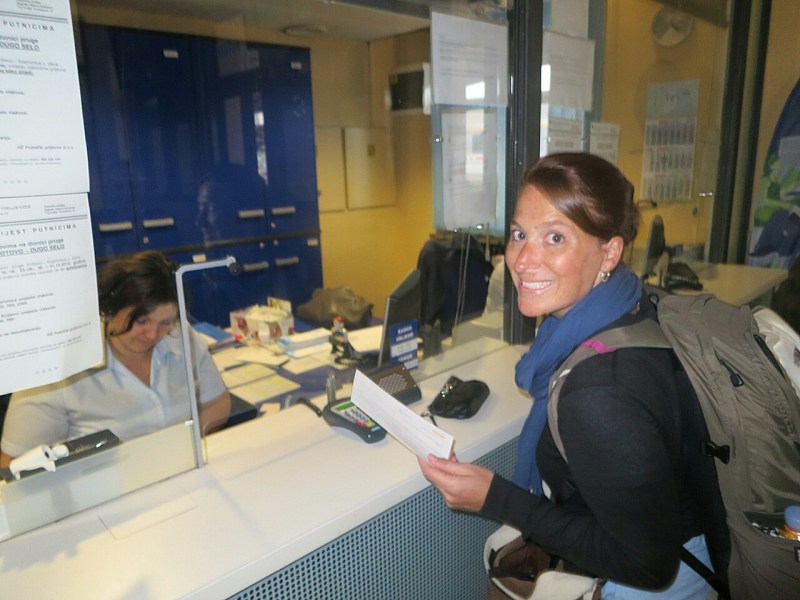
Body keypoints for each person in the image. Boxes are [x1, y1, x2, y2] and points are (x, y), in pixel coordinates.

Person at [418, 153, 715, 598]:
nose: (521, 259)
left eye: (554, 237)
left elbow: (648, 565)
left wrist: (496, 498)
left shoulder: (598, 391)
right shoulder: (625, 305)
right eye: (519, 234)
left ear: (609, 252)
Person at [0, 251, 231, 467]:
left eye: (165, 322)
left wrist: (179, 445)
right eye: (141, 321)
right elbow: (13, 464)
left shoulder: (180, 335)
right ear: (109, 309)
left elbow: (218, 403)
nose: (153, 335)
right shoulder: (59, 365)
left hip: (178, 472)